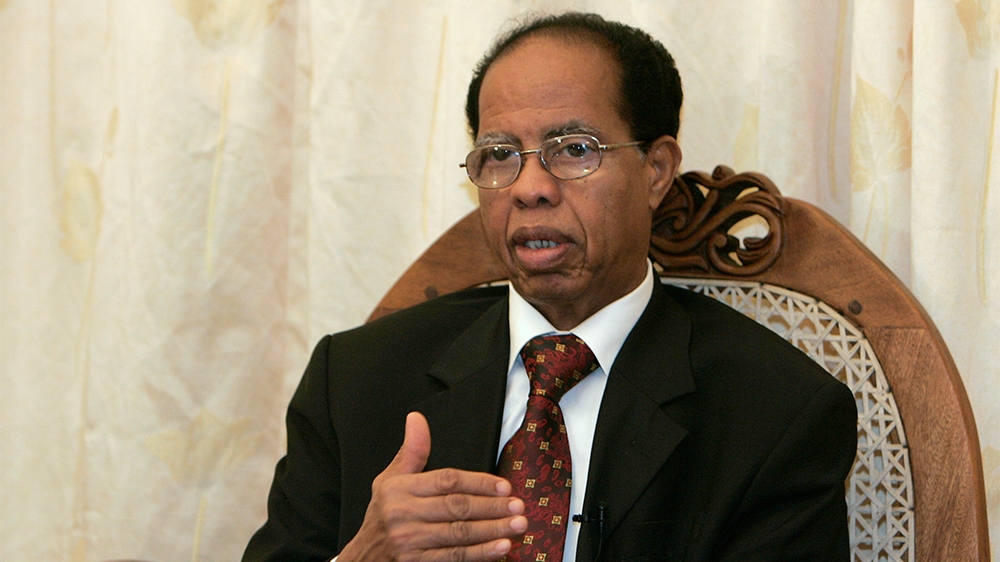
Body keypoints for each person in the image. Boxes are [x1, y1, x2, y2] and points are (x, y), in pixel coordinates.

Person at [243, 12, 857, 562]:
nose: (529, 187)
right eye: (500, 154)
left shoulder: (777, 414)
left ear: (656, 171)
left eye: (572, 149)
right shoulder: (353, 381)